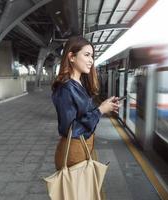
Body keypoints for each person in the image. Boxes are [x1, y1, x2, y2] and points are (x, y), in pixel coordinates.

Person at [51, 36, 119, 170]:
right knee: (78, 190)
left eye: (92, 56)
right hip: (73, 151)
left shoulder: (79, 84)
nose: (91, 61)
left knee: (84, 189)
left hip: (83, 147)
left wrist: (104, 106)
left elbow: (84, 114)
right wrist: (100, 110)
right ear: (71, 57)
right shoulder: (65, 88)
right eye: (87, 55)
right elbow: (70, 129)